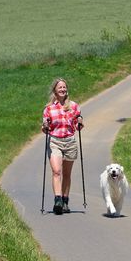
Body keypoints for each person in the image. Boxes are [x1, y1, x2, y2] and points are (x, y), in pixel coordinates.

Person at [41, 78, 83, 215]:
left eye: (64, 87)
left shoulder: (74, 106)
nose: (63, 90)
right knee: (56, 171)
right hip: (55, 141)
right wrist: (46, 127)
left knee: (66, 174)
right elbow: (44, 127)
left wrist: (80, 123)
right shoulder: (48, 109)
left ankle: (65, 201)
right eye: (60, 88)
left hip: (70, 141)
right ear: (55, 90)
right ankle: (57, 200)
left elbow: (77, 124)